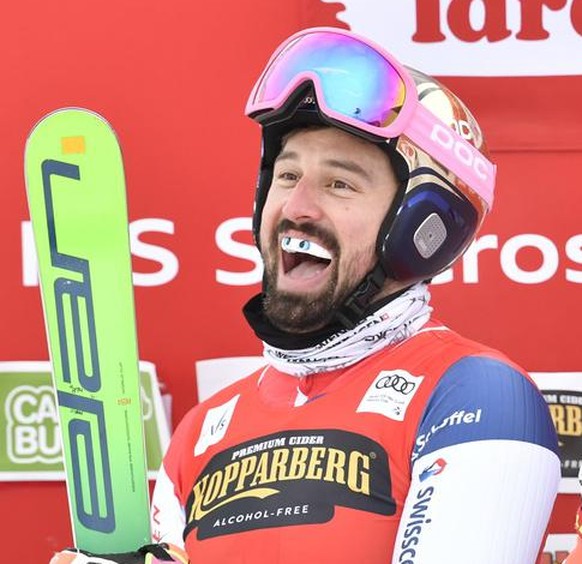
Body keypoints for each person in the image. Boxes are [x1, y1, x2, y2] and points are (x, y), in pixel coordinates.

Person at [52, 26, 560, 564]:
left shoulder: (478, 395)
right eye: (287, 175)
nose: (297, 206)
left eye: (340, 183)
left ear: (422, 224)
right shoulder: (201, 430)